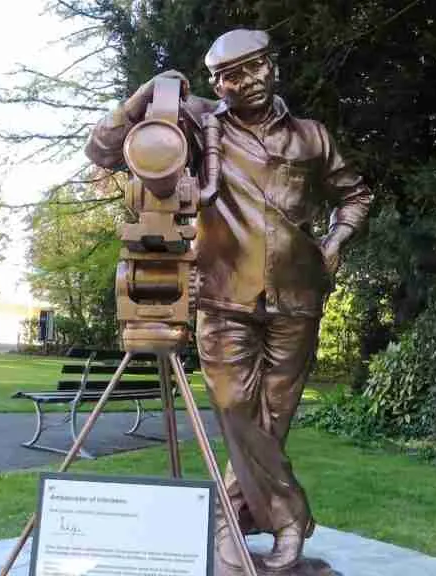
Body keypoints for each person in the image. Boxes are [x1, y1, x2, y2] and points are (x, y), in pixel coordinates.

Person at [85, 29, 373, 570]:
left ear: (272, 67)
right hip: (221, 298)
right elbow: (102, 149)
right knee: (237, 412)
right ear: (216, 81)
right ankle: (290, 520)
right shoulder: (197, 123)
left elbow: (354, 195)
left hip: (297, 297)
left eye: (253, 68)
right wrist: (145, 95)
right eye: (229, 75)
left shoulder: (311, 137)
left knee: (274, 421)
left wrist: (335, 243)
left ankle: (229, 522)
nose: (244, 82)